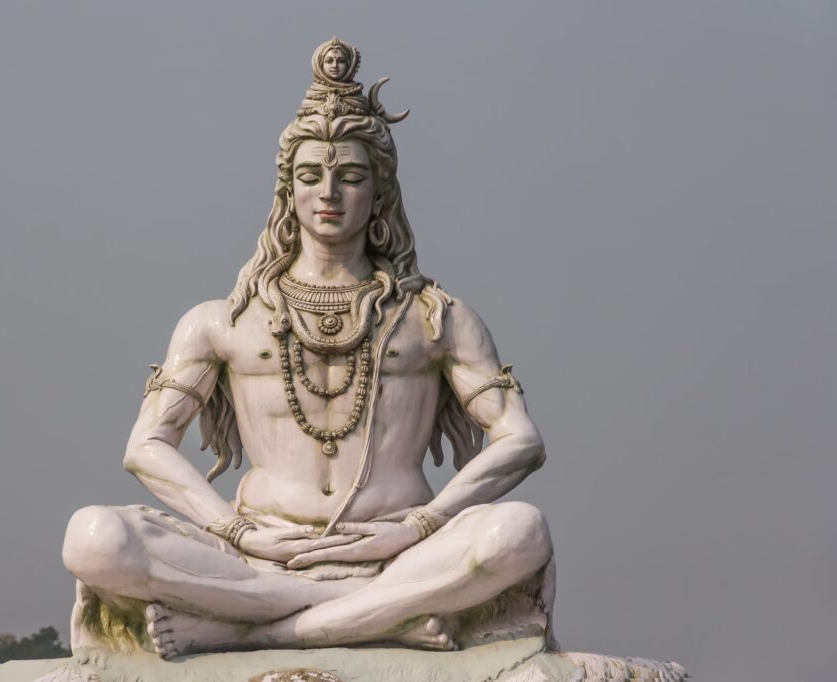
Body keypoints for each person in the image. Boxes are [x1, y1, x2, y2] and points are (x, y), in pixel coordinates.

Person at [61, 37, 553, 660]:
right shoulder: (222, 320)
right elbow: (145, 446)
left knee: (520, 530)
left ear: (380, 193)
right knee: (93, 537)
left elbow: (520, 440)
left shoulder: (436, 318)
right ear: (287, 191)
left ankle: (254, 630)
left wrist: (417, 526)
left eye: (351, 178)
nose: (329, 193)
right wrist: (235, 530)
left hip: (399, 552)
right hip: (257, 554)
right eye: (310, 176)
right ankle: (370, 617)